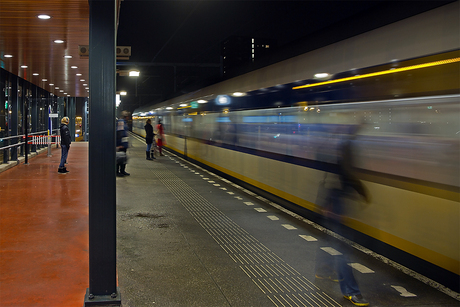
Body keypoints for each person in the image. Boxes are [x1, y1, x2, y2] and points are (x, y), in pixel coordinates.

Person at [315, 124, 370, 307]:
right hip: (337, 199)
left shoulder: (337, 142)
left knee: (334, 240)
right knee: (342, 247)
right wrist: (363, 192)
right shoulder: (344, 144)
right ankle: (351, 291)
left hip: (335, 198)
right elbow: (345, 173)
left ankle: (323, 270)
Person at [116, 111, 130, 177]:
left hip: (124, 143)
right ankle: (117, 171)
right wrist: (119, 144)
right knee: (119, 158)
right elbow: (119, 132)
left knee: (123, 158)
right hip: (121, 143)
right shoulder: (121, 122)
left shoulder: (124, 122)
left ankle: (122, 170)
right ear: (126, 116)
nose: (128, 118)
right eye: (128, 116)